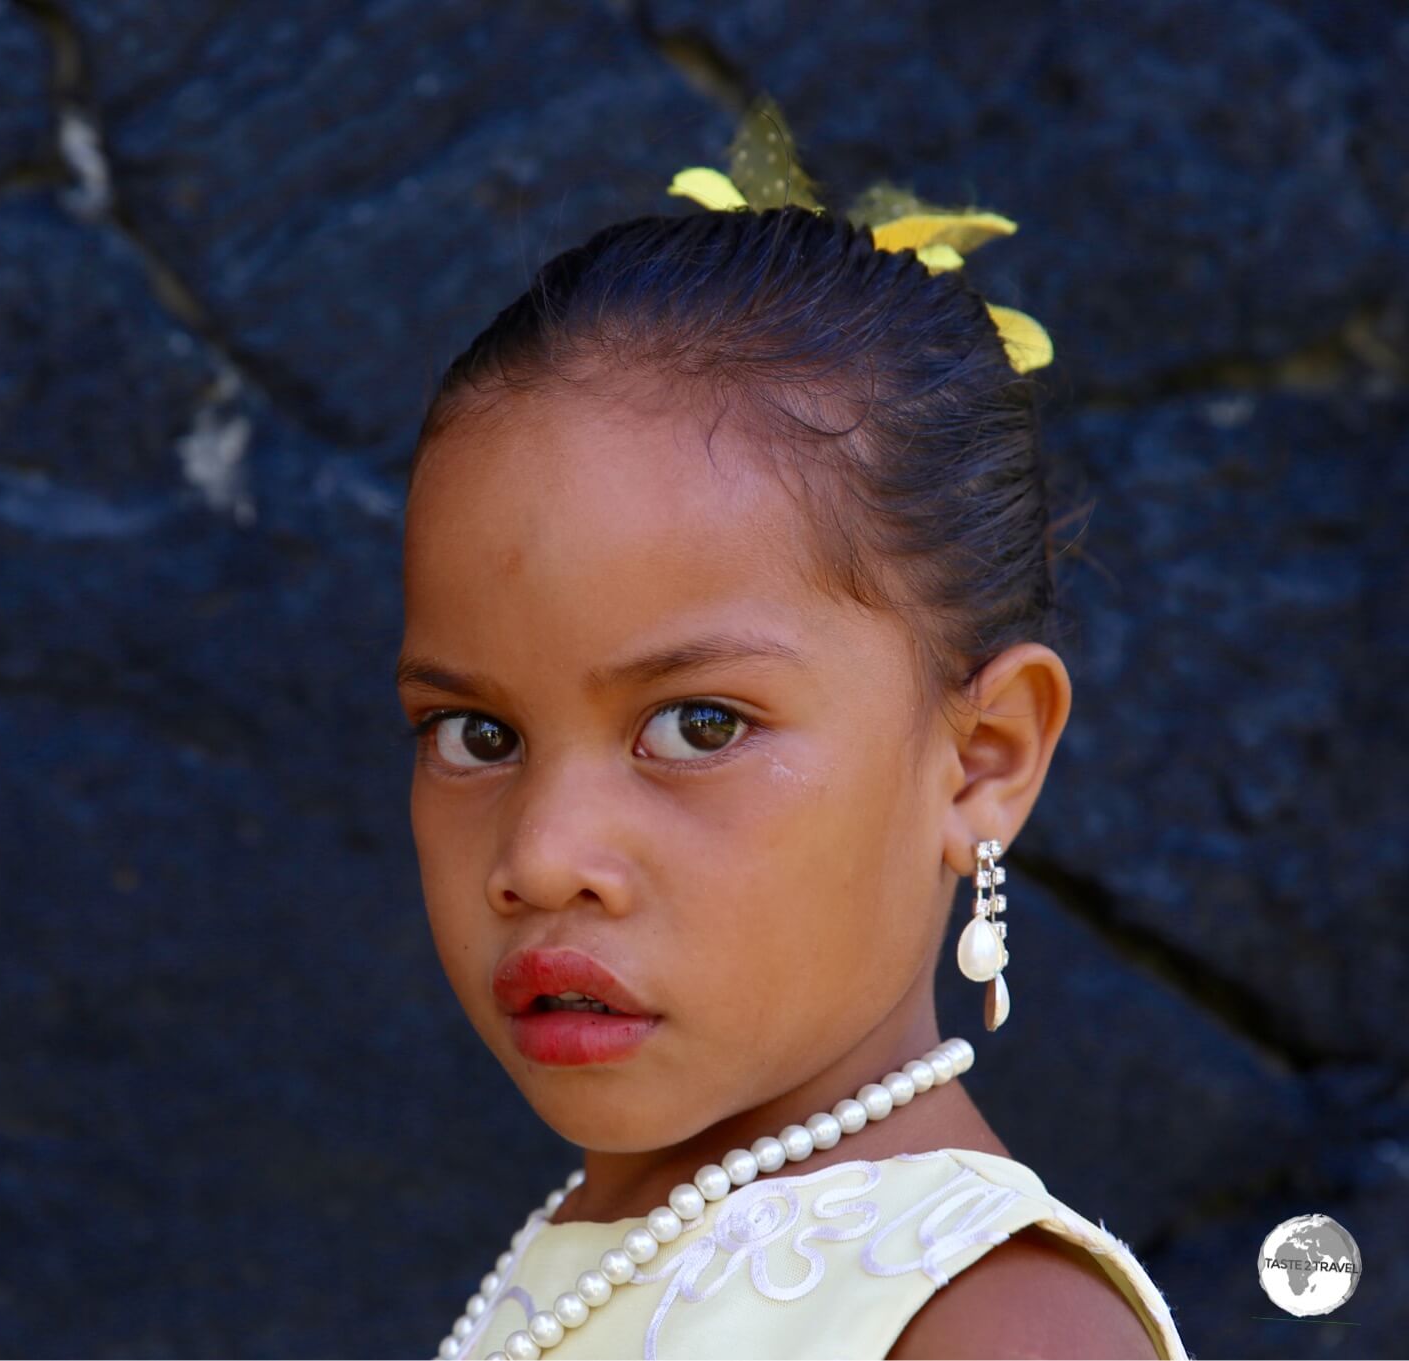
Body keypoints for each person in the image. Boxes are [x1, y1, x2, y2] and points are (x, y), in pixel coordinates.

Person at [397, 101, 1189, 1360]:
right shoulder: (595, 1248)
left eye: (697, 722)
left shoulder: (997, 1326)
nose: (541, 855)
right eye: (473, 734)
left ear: (980, 757)